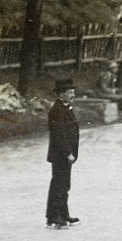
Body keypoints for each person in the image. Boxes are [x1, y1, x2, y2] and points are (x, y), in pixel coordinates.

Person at [45, 78, 81, 228]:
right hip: (60, 154)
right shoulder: (56, 110)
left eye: (73, 92)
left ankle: (63, 214)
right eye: (70, 92)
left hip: (66, 154)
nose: (73, 95)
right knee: (58, 185)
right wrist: (68, 153)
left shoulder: (66, 107)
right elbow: (58, 134)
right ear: (61, 94)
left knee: (64, 184)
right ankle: (54, 217)